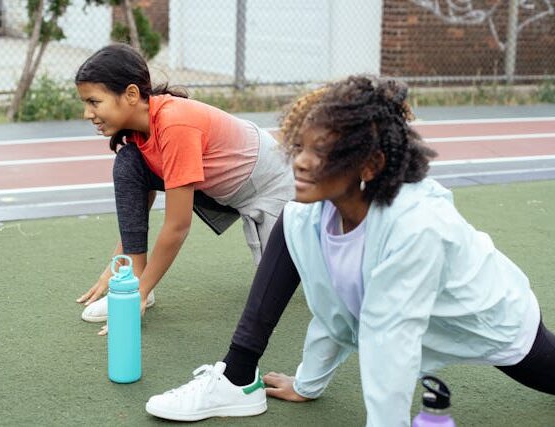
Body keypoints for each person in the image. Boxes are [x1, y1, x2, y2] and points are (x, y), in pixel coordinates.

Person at [144, 75, 555, 425]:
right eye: (299, 146)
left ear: (371, 165)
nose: (300, 163)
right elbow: (336, 312)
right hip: (421, 320)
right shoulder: (308, 218)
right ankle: (234, 377)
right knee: (290, 221)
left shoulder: (416, 228)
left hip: (491, 320)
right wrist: (307, 384)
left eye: (321, 153)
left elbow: (390, 348)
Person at [74, 44, 294, 334]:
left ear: (130, 95)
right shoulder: (141, 131)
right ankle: (137, 279)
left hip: (270, 184)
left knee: (300, 275)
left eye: (94, 102)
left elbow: (177, 226)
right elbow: (139, 203)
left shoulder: (174, 124)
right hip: (219, 187)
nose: (87, 113)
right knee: (129, 163)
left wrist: (136, 296)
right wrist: (121, 269)